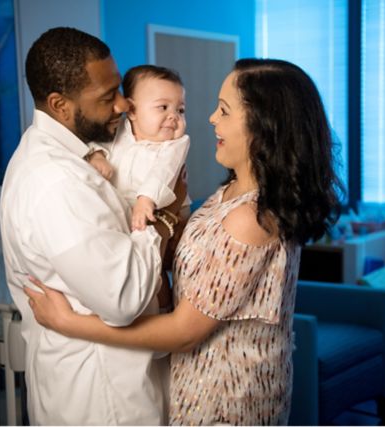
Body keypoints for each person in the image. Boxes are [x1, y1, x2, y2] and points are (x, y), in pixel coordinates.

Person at [25, 58, 343, 425]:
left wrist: (68, 323)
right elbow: (189, 261)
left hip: (228, 399)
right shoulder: (227, 194)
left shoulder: (252, 217)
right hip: (194, 384)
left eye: (223, 110)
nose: (210, 119)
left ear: (263, 125)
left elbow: (184, 332)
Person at [0, 27, 185, 425]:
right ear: (59, 105)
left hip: (113, 383)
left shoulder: (78, 158)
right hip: (99, 401)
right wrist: (163, 214)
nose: (122, 105)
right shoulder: (55, 181)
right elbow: (124, 297)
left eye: (118, 89)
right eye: (107, 97)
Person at [86, 64, 190, 231]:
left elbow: (164, 171)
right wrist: (97, 155)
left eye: (181, 110)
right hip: (123, 210)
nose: (174, 116)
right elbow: (95, 143)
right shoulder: (119, 130)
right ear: (132, 110)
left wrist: (146, 198)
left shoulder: (176, 144)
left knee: (171, 246)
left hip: (159, 209)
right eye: (163, 107)